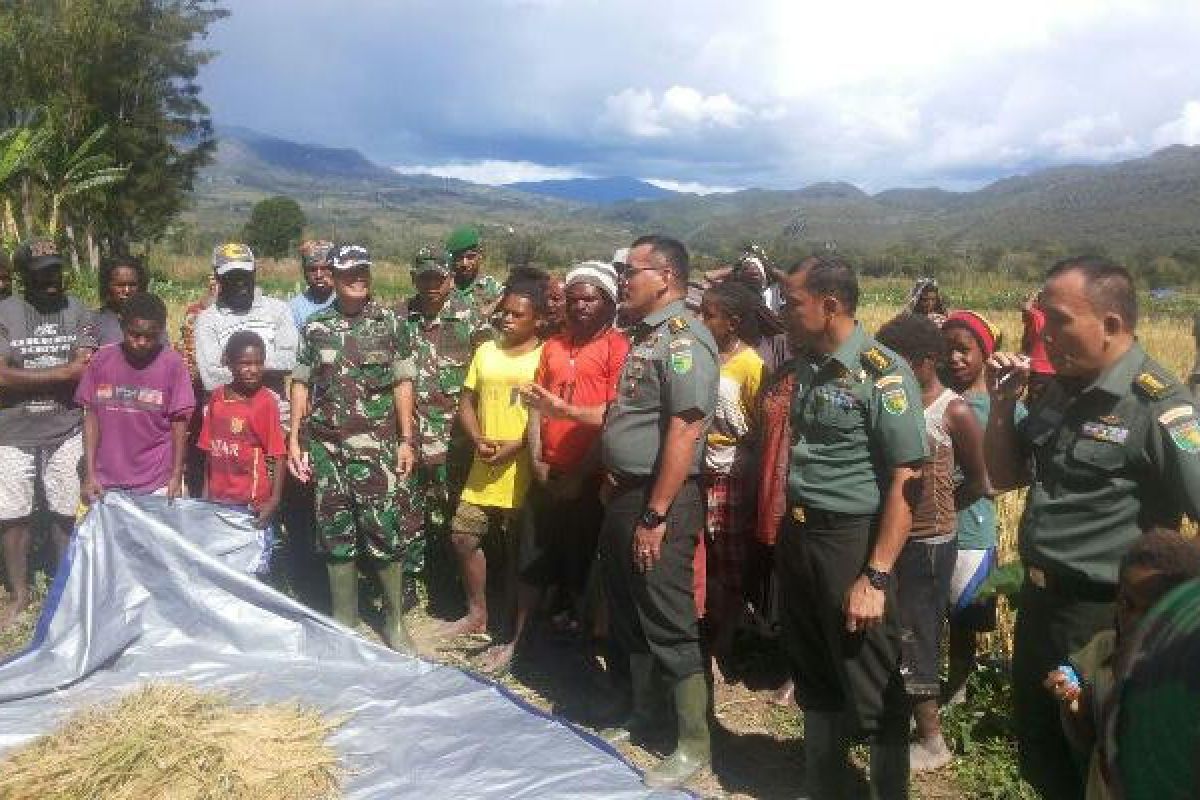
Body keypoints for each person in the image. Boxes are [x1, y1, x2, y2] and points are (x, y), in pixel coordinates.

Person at [984, 257, 1200, 800]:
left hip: (1105, 621)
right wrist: (1001, 403)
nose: (1044, 334)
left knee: (1100, 767)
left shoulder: (1159, 406)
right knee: (1044, 758)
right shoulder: (1060, 391)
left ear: (1110, 324)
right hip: (1039, 610)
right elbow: (1006, 475)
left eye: (1057, 320)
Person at [777, 255, 927, 799]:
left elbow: (907, 478)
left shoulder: (884, 373)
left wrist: (877, 575)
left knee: (871, 682)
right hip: (800, 536)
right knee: (813, 666)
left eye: (791, 303)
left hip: (851, 540)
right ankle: (824, 786)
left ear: (829, 305)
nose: (783, 312)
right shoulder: (809, 363)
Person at [597, 235, 719, 789]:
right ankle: (645, 715)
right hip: (626, 494)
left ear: (665, 277)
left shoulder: (683, 340)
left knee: (668, 616)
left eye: (632, 271)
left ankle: (693, 744)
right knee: (630, 606)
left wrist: (656, 514)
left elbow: (685, 428)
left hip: (659, 499)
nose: (623, 279)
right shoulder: (642, 337)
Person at [477, 261, 627, 674]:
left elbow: (614, 417)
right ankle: (519, 643)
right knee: (531, 561)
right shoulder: (554, 348)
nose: (579, 306)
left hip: (590, 479)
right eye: (574, 298)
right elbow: (535, 409)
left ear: (609, 302)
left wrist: (580, 475)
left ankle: (579, 654)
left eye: (589, 299)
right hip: (547, 474)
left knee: (581, 569)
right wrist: (539, 460)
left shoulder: (619, 350)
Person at [288, 244, 421, 653]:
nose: (357, 278)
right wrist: (295, 437)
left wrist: (406, 439)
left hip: (377, 448)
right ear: (333, 274)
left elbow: (403, 383)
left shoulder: (390, 324)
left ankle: (394, 622)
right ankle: (344, 621)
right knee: (335, 532)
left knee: (384, 529)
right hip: (328, 448)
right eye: (349, 272)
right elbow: (301, 382)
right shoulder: (315, 326)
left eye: (363, 270)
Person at [876, 312, 990, 773]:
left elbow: (980, 481)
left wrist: (939, 511)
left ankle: (933, 741)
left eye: (896, 362)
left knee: (918, 634)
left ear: (925, 362)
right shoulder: (891, 402)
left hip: (928, 542)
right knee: (893, 629)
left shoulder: (952, 410)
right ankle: (891, 716)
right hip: (894, 534)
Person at [1044, 531, 1200, 800]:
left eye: (1152, 610)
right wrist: (1073, 703)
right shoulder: (1103, 650)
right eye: (1127, 604)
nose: (1134, 620)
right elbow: (1093, 736)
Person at [0, 239, 97, 630]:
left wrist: (19, 377)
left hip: (66, 427)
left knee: (64, 511)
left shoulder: (78, 309)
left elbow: (85, 369)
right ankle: (20, 594)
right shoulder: (5, 311)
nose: (52, 279)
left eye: (55, 270)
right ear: (24, 277)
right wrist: (61, 374)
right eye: (42, 272)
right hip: (12, 430)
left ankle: (64, 587)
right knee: (13, 515)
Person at [440, 282, 544, 639]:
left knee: (520, 547)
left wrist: (516, 445)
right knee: (463, 536)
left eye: (519, 314)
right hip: (485, 461)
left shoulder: (545, 356)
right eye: (506, 312)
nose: (508, 319)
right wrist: (477, 437)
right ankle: (477, 614)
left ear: (538, 320)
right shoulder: (485, 351)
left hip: (524, 464)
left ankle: (514, 626)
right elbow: (467, 401)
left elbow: (545, 413)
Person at [404, 246, 494, 612]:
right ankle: (412, 582)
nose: (431, 285)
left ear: (448, 279)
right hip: (410, 435)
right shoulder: (398, 318)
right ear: (414, 278)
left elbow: (487, 376)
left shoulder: (471, 319)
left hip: (455, 439)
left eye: (438, 278)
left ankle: (456, 589)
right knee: (409, 512)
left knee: (456, 518)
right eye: (423, 277)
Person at [696, 280, 770, 683]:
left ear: (733, 322)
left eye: (709, 315)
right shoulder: (702, 358)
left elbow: (759, 429)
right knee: (703, 555)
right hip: (698, 466)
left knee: (730, 561)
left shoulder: (752, 366)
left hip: (732, 472)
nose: (701, 320)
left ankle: (723, 641)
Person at [940, 310, 1004, 705]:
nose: (954, 358)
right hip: (934, 530)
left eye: (964, 350)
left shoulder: (999, 410)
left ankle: (958, 693)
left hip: (973, 531)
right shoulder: (940, 401)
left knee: (964, 619)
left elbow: (1004, 475)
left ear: (986, 351)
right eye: (947, 350)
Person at [76, 292, 193, 502]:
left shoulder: (173, 365)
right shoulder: (101, 360)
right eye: (134, 334)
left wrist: (176, 476)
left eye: (150, 336)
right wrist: (90, 473)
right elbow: (90, 417)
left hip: (157, 483)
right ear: (121, 325)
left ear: (161, 331)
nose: (141, 342)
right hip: (106, 482)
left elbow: (179, 424)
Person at [193, 243, 298, 419]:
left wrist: (235, 365)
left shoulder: (278, 310)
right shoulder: (207, 319)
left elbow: (289, 361)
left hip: (276, 415)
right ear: (218, 277)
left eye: (245, 275)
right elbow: (211, 378)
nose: (240, 282)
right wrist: (265, 367)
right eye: (232, 276)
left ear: (254, 273)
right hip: (226, 418)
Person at [199, 331, 287, 530]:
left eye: (259, 363)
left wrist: (274, 500)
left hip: (251, 504)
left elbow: (279, 454)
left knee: (251, 559)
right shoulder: (217, 398)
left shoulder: (265, 402)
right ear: (229, 363)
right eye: (245, 364)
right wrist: (206, 495)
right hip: (218, 500)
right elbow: (210, 453)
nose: (253, 370)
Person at [93, 255, 154, 347]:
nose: (127, 290)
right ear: (107, 286)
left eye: (132, 285)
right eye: (120, 285)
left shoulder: (152, 320)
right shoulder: (93, 321)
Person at [445, 225, 503, 317]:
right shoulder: (443, 286)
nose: (465, 263)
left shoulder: (492, 288)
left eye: (470, 257)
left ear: (480, 256)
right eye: (459, 258)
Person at [1020, 289, 1056, 404]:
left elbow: (1026, 308)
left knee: (1035, 400)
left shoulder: (1037, 316)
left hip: (1039, 367)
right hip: (1053, 368)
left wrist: (1032, 297)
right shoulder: (1056, 318)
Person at [289, 240, 336, 329]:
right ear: (305, 273)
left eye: (325, 268)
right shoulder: (294, 309)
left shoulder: (348, 303)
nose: (319, 275)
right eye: (313, 270)